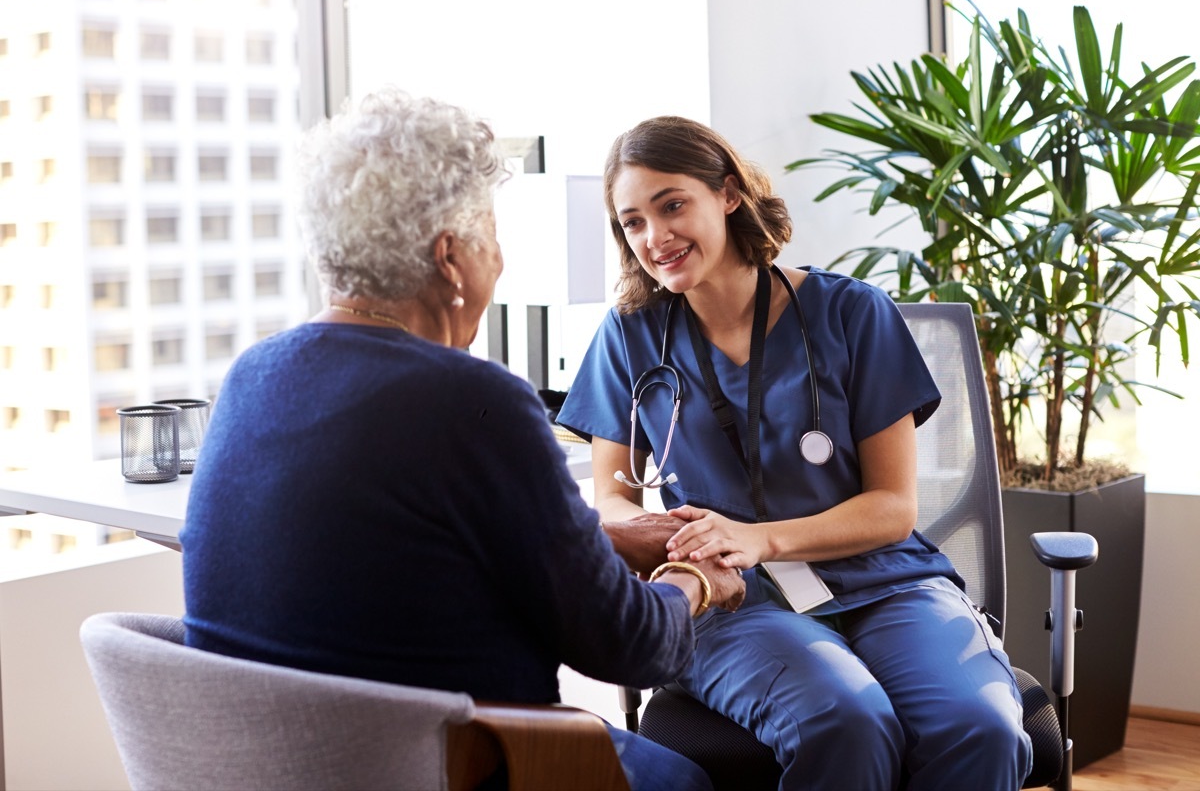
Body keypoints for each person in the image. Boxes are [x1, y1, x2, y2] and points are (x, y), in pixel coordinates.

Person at [179, 90, 746, 791]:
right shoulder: (474, 402)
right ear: (451, 258)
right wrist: (696, 580)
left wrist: (602, 540)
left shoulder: (251, 377)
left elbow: (408, 554)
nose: (499, 262)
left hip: (276, 766)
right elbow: (632, 648)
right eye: (492, 238)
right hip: (456, 768)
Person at [555, 116, 1033, 790]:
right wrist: (657, 539)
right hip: (730, 598)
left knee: (977, 729)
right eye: (632, 222)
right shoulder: (630, 336)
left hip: (885, 580)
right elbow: (615, 494)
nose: (654, 238)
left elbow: (893, 508)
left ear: (726, 194)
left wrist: (758, 537)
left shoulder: (853, 314)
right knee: (845, 720)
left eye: (672, 206)